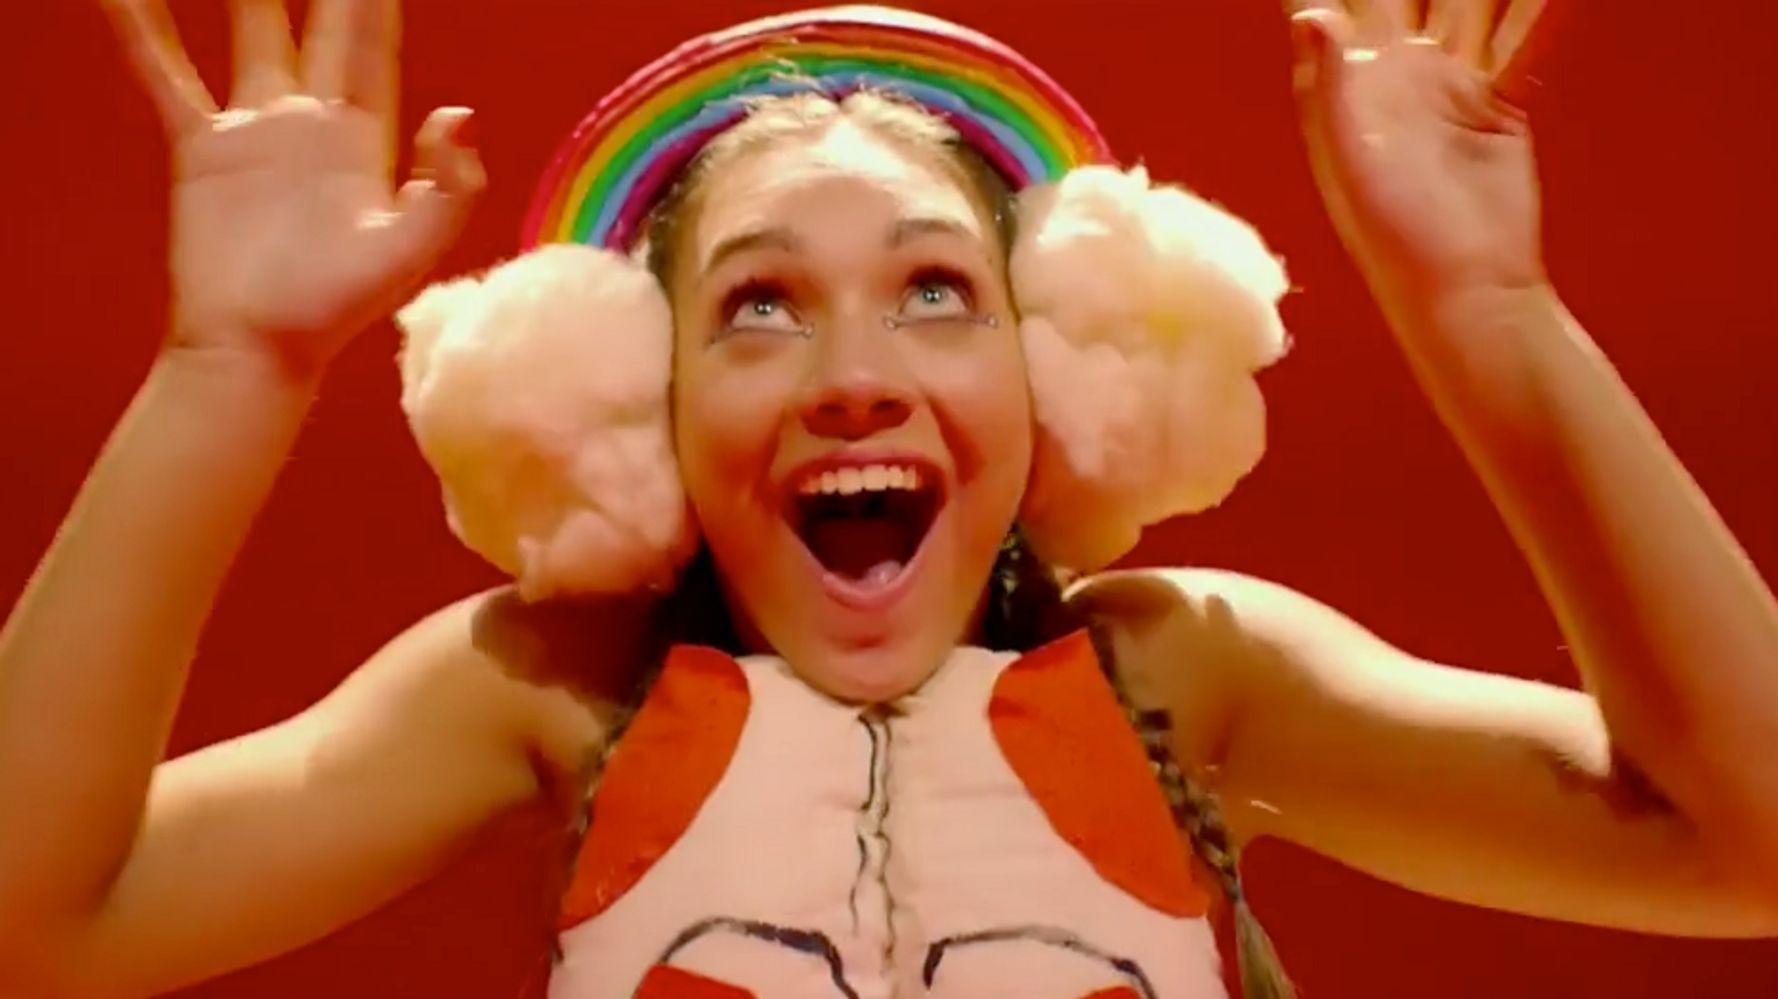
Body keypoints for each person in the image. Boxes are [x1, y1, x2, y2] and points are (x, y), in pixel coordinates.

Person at [2, 1, 1776, 997]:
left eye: (936, 290)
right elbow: (29, 923)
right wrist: (227, 366)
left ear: (1056, 371)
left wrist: (1487, 308)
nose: (855, 373)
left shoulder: (1191, 674)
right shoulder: (544, 692)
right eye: (757, 307)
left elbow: (1745, 843)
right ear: (635, 407)